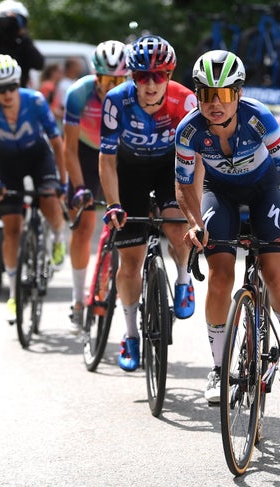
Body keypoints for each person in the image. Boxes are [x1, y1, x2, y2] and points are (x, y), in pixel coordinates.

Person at [175, 50, 280, 402]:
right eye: (206, 94)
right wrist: (194, 223)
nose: (215, 103)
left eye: (225, 94)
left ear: (239, 93)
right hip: (219, 192)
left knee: (275, 271)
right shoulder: (188, 130)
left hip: (266, 189)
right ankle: (219, 369)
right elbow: (184, 183)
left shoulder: (259, 119)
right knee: (220, 276)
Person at [99, 34, 197, 371]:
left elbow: (195, 158)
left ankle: (184, 277)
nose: (151, 83)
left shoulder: (185, 101)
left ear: (169, 75)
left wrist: (193, 210)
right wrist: (113, 204)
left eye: (159, 75)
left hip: (170, 168)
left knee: (177, 226)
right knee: (130, 259)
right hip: (130, 173)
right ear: (132, 77)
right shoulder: (116, 101)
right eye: (142, 76)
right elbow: (107, 160)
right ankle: (129, 334)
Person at [0, 55, 67, 320]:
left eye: (11, 87)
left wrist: (62, 181)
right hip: (8, 161)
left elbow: (57, 141)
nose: (6, 94)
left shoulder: (35, 100)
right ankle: (14, 295)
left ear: (19, 84)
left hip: (39, 156)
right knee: (11, 229)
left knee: (49, 201)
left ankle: (58, 237)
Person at [63, 40, 129, 332]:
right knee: (83, 227)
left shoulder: (132, 96)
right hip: (87, 154)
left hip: (121, 155)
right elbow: (68, 148)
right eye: (106, 79)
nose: (112, 86)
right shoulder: (79, 93)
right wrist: (78, 186)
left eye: (119, 80)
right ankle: (78, 299)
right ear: (96, 76)